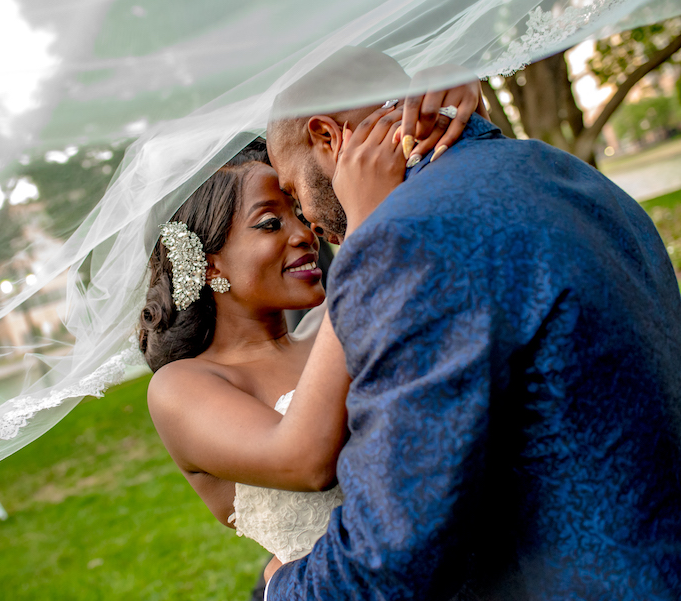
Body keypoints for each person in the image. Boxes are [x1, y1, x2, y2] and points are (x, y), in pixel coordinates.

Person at [263, 48, 681, 599]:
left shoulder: (405, 242)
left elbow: (391, 549)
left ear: (326, 137)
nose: (310, 225)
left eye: (294, 193)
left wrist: (281, 587)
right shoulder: (565, 172)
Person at [139, 76, 485, 574]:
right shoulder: (181, 388)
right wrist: (365, 227)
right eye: (269, 222)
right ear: (208, 263)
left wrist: (453, 117)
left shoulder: (336, 316)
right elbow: (304, 460)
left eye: (299, 213)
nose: (305, 234)